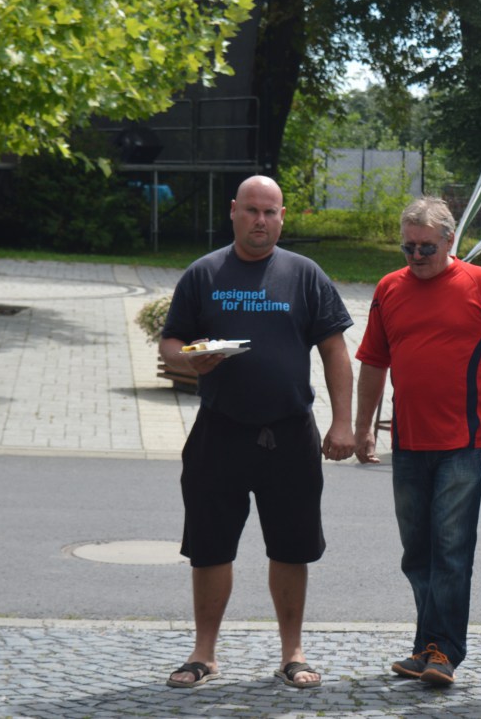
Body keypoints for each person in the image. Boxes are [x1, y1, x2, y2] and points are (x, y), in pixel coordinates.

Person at [159, 175, 355, 690]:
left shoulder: (304, 274)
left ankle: (293, 652)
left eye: (270, 212)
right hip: (219, 429)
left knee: (291, 546)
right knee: (210, 546)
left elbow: (335, 351)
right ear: (233, 211)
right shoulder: (204, 273)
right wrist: (190, 360)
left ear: (282, 217)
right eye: (251, 210)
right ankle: (204, 653)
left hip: (289, 431)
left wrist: (342, 422)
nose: (260, 220)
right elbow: (171, 343)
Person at [352, 196, 481, 687]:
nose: (416, 256)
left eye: (426, 246)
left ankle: (444, 650)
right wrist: (363, 426)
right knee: (416, 552)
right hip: (408, 441)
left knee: (450, 549)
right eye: (407, 247)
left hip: (462, 441)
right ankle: (426, 645)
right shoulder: (389, 288)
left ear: (450, 240)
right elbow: (373, 362)